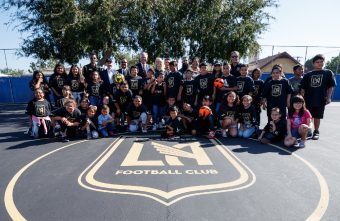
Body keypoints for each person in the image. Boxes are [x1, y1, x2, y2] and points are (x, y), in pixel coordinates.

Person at [300, 54, 336, 140]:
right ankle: (308, 131)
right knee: (308, 116)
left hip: (320, 99)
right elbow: (302, 88)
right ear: (313, 64)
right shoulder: (308, 74)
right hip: (308, 99)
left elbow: (330, 86)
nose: (320, 63)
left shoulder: (328, 72)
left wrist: (328, 97)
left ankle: (316, 131)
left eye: (321, 61)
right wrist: (301, 99)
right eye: (317, 62)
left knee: (317, 116)